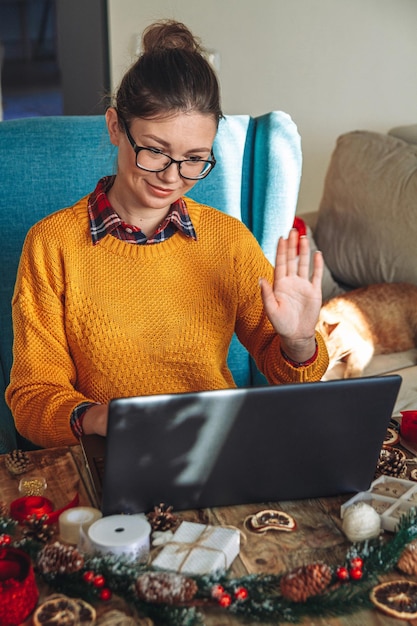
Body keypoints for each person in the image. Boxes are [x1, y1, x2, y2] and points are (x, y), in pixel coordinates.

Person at [6, 20, 328, 448]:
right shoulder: (52, 244)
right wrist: (102, 418)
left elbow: (288, 373)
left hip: (219, 454)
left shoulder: (227, 240)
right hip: (111, 459)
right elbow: (32, 399)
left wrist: (299, 340)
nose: (172, 177)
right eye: (155, 151)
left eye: (195, 158)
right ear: (115, 127)